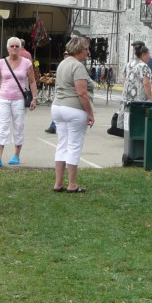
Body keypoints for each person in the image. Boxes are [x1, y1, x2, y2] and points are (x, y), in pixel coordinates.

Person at [51, 36, 94, 193]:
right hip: (74, 108)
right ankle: (72, 183)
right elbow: (82, 93)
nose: (88, 53)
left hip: (57, 106)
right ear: (78, 50)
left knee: (62, 144)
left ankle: (58, 183)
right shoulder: (78, 66)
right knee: (74, 145)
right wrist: (90, 113)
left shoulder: (63, 63)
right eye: (86, 49)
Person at [0, 36, 38, 167]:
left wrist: (34, 98)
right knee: (3, 126)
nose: (14, 48)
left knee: (18, 126)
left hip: (19, 99)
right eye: (12, 46)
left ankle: (16, 155)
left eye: (17, 46)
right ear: (7, 48)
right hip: (3, 98)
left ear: (20, 48)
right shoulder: (1, 62)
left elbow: (32, 81)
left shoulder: (27, 63)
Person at [111, 41, 152, 135]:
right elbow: (146, 83)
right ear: (143, 54)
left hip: (128, 97)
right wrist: (150, 98)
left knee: (128, 120)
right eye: (148, 54)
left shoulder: (129, 64)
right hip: (139, 98)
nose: (149, 57)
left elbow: (124, 79)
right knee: (138, 120)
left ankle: (129, 139)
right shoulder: (144, 66)